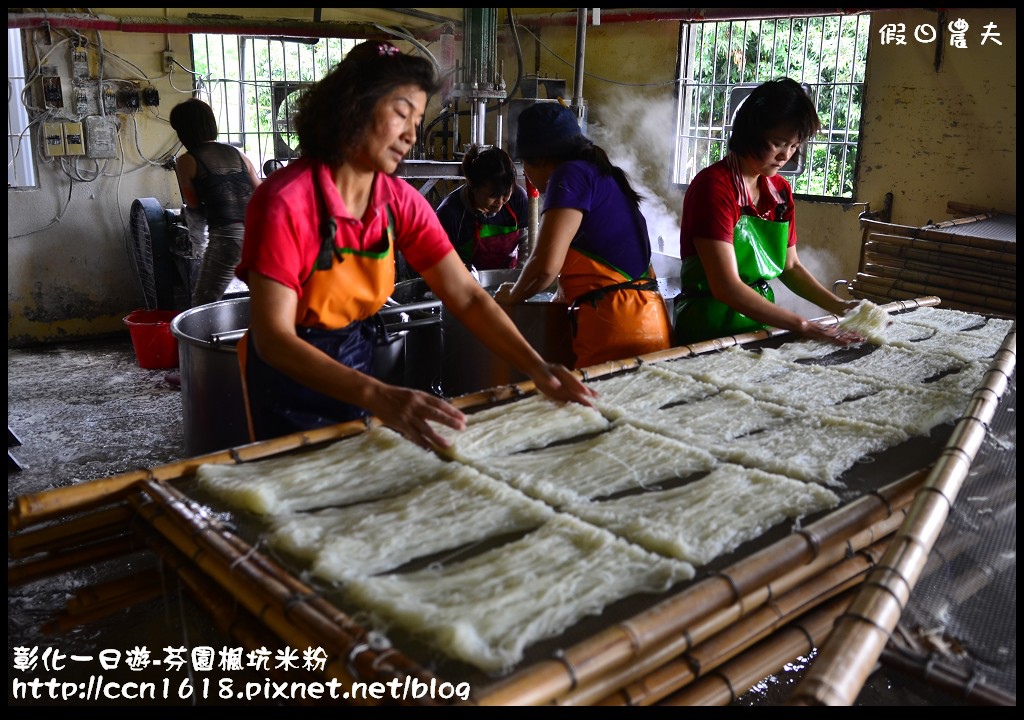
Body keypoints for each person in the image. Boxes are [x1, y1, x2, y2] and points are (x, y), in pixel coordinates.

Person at [235, 41, 596, 449]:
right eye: (401, 114)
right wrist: (378, 395)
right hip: (289, 380)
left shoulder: (396, 200)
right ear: (353, 107)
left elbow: (468, 297)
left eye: (418, 119)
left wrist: (540, 369)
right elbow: (274, 338)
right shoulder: (286, 201)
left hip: (357, 357)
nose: (411, 135)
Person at [674, 77, 863, 347]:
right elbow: (726, 287)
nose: (786, 155)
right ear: (751, 132)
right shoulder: (714, 188)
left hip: (757, 326)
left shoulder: (780, 192)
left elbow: (791, 266)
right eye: (777, 143)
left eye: (795, 146)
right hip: (708, 329)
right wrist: (803, 325)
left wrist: (841, 306)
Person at [494, 102, 673, 369]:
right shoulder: (599, 174)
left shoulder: (569, 175)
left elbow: (544, 269)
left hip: (616, 330)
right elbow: (580, 274)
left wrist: (511, 297)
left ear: (538, 159)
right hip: (649, 324)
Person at [169, 98, 261, 307]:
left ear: (183, 131)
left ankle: (205, 340)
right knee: (263, 299)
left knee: (203, 303)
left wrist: (199, 248)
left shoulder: (187, 161)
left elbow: (194, 208)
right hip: (258, 237)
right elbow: (262, 192)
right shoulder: (237, 154)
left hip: (227, 240)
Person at [434, 144, 529, 270]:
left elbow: (527, 242)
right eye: (493, 195)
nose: (500, 201)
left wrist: (520, 276)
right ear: (473, 186)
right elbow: (440, 265)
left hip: (509, 282)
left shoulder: (518, 198)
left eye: (506, 193)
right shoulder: (449, 214)